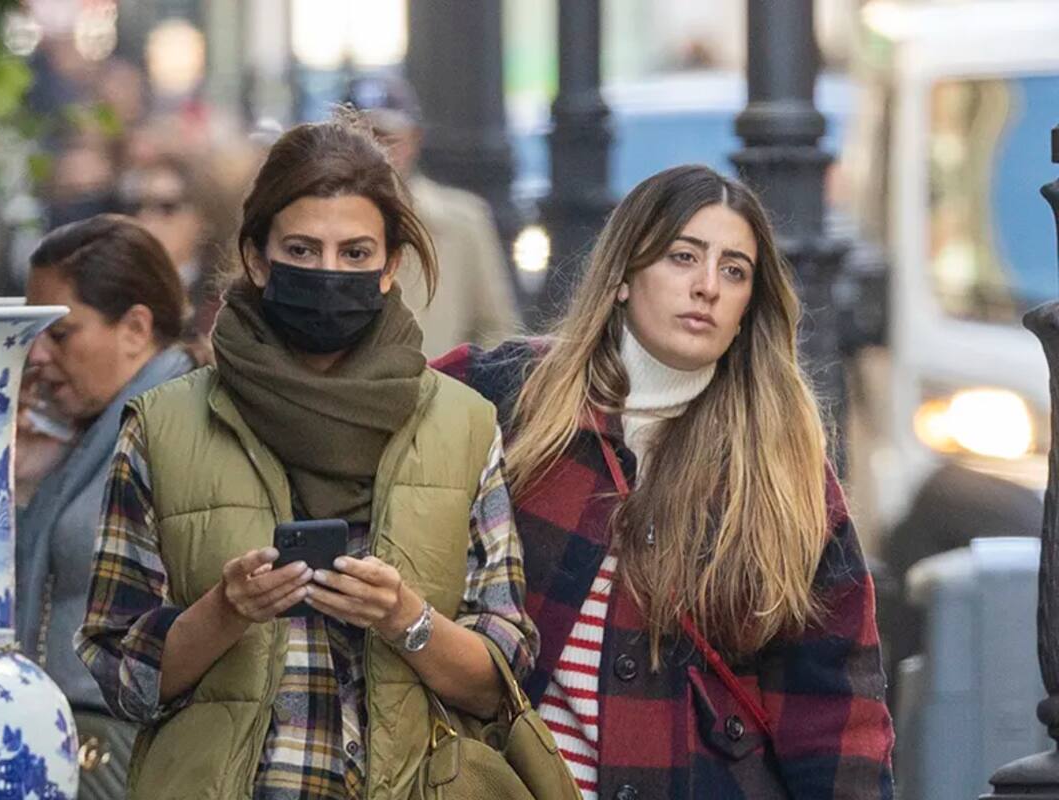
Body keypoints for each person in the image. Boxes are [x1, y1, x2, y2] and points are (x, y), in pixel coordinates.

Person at [74, 116, 538, 800]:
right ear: (258, 259)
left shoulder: (462, 424)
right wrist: (226, 610)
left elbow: (501, 674)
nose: (328, 272)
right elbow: (122, 673)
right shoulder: (165, 424)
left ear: (390, 267)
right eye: (302, 249)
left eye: (355, 254)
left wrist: (404, 617)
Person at [435, 165, 895, 798]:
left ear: (747, 309)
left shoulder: (780, 466)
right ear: (624, 276)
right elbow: (370, 407)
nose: (706, 286)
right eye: (683, 257)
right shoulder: (509, 396)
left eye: (734, 270)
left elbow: (835, 709)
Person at [16, 214, 202, 799]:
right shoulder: (99, 433)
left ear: (135, 328)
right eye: (32, 334)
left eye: (59, 333)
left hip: (120, 751)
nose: (36, 356)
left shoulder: (177, 431)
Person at [343, 75, 521, 358]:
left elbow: (497, 331)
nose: (376, 153)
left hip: (444, 393)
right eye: (362, 139)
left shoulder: (464, 222)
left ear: (414, 139)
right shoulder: (320, 224)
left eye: (387, 139)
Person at [119, 153, 237, 335]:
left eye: (167, 207)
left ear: (202, 218)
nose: (147, 218)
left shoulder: (228, 298)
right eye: (137, 206)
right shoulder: (113, 288)